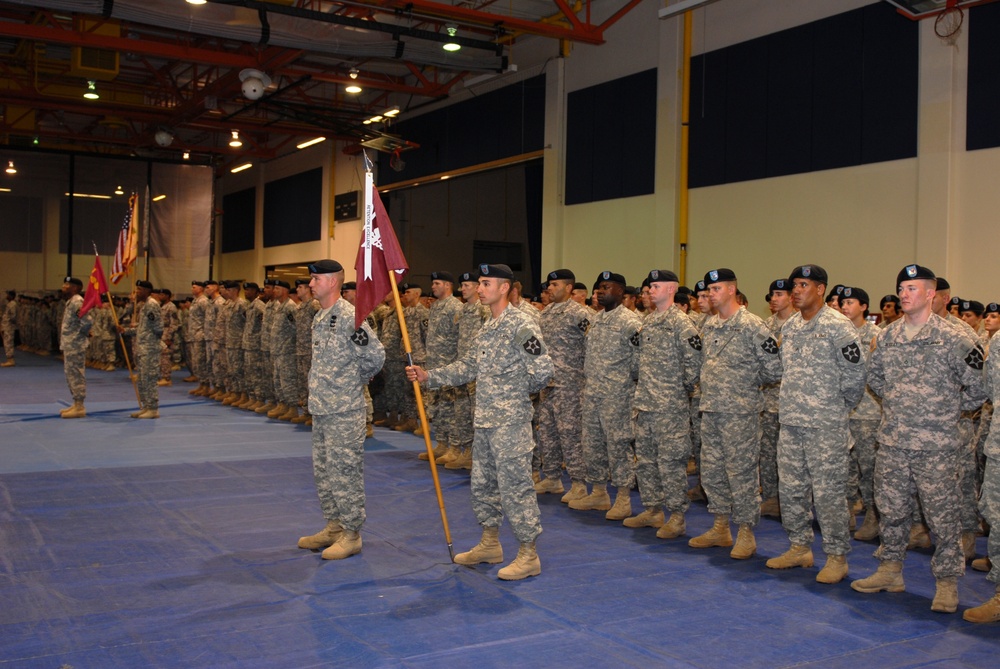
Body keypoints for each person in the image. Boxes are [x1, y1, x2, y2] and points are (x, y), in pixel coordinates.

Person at [851, 264, 986, 614]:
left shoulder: (954, 337)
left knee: (942, 516)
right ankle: (890, 570)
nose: (905, 294)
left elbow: (979, 386)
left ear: (931, 293)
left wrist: (944, 410)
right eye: (902, 288)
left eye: (913, 288)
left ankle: (946, 582)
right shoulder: (890, 336)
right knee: (891, 511)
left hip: (937, 445)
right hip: (893, 441)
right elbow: (876, 379)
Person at [406, 263, 553, 580]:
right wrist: (429, 376)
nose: (480, 287)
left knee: (516, 488)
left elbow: (542, 371)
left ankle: (528, 554)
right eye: (480, 282)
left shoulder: (521, 325)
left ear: (504, 288)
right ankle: (490, 544)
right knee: (484, 486)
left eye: (486, 283)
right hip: (485, 422)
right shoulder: (487, 327)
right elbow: (468, 366)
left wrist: (513, 396)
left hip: (510, 422)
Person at [764, 265, 865, 584]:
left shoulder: (839, 326)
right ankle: (799, 547)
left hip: (826, 426)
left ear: (820, 289)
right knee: (791, 488)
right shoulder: (791, 326)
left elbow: (855, 376)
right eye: (794, 285)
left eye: (803, 285)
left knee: (828, 493)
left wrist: (835, 408)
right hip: (791, 422)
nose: (796, 290)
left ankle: (836, 556)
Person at [689, 268, 782, 560]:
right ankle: (720, 526)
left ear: (731, 290)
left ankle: (745, 533)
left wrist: (744, 384)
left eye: (716, 289)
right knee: (713, 471)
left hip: (740, 412)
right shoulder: (710, 325)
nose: (710, 295)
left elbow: (774, 367)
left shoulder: (753, 325)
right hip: (711, 409)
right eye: (707, 291)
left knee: (741, 473)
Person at [297, 260, 385, 560]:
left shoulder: (350, 316)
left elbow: (375, 355)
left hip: (344, 409)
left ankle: (351, 534)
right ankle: (334, 526)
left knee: (345, 472)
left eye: (316, 278)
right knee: (324, 472)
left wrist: (353, 381)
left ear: (333, 281)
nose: (311, 284)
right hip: (322, 408)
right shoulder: (321, 316)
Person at [626, 269, 703, 538]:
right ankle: (652, 509)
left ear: (671, 289)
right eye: (649, 287)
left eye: (656, 286)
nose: (650, 291)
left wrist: (677, 391)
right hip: (645, 403)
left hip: (670, 406)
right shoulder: (646, 322)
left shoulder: (681, 324)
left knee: (671, 462)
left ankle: (677, 516)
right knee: (646, 461)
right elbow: (638, 362)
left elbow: (694, 364)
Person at [569, 271, 642, 519]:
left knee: (618, 446)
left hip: (617, 396)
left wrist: (621, 383)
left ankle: (623, 497)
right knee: (593, 445)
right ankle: (599, 493)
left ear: (622, 292)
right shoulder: (596, 320)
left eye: (607, 287)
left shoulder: (630, 322)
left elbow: (638, 362)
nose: (601, 291)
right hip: (593, 393)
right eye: (599, 287)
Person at [535, 269, 591, 500]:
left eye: (555, 284)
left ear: (569, 288)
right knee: (547, 433)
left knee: (570, 433)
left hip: (570, 384)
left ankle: (578, 483)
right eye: (549, 284)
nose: (550, 288)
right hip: (548, 384)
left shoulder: (580, 314)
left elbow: (592, 346)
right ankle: (552, 477)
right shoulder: (546, 313)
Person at [120, 280, 164, 419]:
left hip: (149, 348)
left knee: (149, 379)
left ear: (146, 291)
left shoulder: (152, 305)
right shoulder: (144, 306)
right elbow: (142, 329)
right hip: (143, 348)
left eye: (139, 289)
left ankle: (152, 408)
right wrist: (125, 331)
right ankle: (146, 406)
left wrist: (151, 341)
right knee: (143, 379)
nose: (136, 292)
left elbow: (158, 328)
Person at [59, 277, 92, 419]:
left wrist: (79, 336)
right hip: (70, 344)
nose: (63, 286)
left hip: (75, 344)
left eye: (67, 284)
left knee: (76, 373)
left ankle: (80, 406)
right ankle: (76, 403)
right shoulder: (71, 302)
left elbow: (87, 321)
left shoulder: (78, 301)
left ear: (75, 288)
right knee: (70, 373)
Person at [2, 290, 17, 367]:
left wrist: (9, 323)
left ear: (11, 296)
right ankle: (9, 359)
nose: (6, 296)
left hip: (9, 326)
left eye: (7, 295)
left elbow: (13, 316)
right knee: (6, 343)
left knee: (8, 343)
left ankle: (10, 360)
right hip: (6, 326)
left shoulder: (12, 304)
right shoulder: (9, 304)